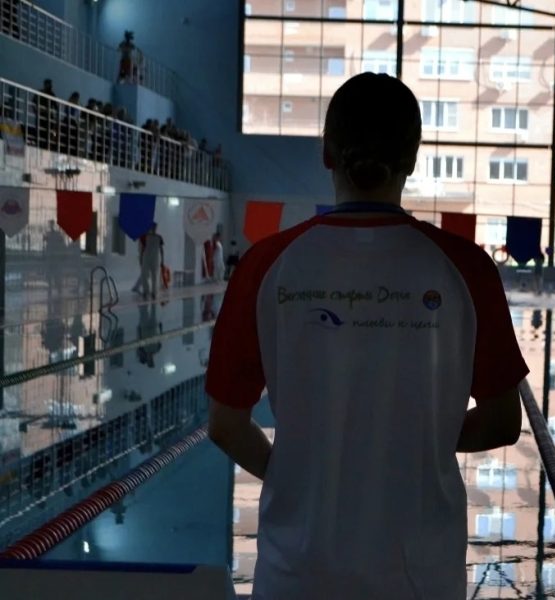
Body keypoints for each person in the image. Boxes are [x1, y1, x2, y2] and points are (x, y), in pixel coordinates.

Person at [205, 73, 527, 600]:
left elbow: (225, 425)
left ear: (327, 153)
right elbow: (502, 421)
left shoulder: (266, 265)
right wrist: (415, 439)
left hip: (296, 574)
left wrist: (293, 474)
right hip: (421, 577)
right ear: (413, 158)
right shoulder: (467, 269)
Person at [138, 222, 164, 300]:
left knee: (154, 276)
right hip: (147, 258)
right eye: (153, 227)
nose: (154, 229)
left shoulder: (159, 237)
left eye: (155, 227)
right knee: (145, 275)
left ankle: (153, 292)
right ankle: (147, 291)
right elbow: (142, 249)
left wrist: (162, 260)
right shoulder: (145, 236)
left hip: (154, 258)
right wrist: (141, 258)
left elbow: (161, 250)